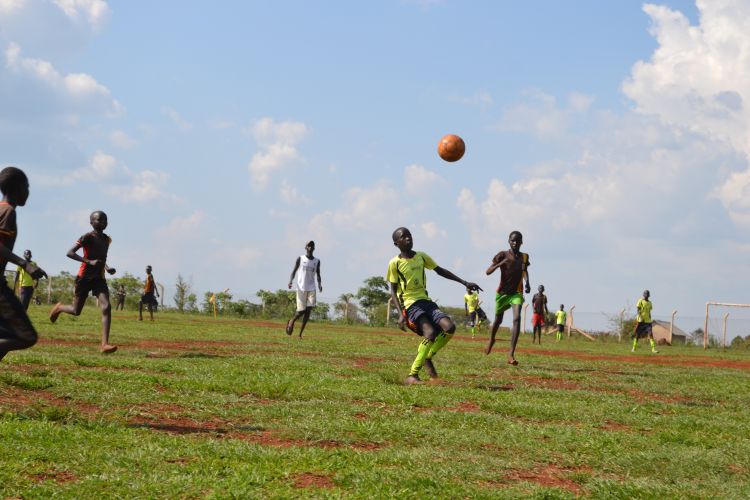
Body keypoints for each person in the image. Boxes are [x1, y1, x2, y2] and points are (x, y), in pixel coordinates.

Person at [387, 227, 481, 385]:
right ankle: (412, 375)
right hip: (410, 304)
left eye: (409, 235)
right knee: (429, 333)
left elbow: (440, 270)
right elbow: (393, 290)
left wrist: (464, 282)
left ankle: (428, 355)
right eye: (403, 237)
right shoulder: (394, 263)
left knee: (449, 327)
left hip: (426, 301)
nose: (408, 238)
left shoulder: (421, 256)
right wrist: (401, 313)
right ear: (396, 243)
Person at [49, 211, 117, 354]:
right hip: (84, 277)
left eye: (105, 220)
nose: (102, 222)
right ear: (91, 222)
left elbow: (101, 258)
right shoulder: (87, 237)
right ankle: (59, 308)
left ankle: (105, 344)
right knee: (76, 311)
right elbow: (70, 253)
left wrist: (107, 267)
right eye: (99, 220)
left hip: (99, 278)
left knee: (106, 306)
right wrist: (89, 262)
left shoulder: (107, 239)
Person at [0, 167, 47, 362]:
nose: (28, 191)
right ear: (18, 188)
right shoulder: (8, 211)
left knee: (7, 332)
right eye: (27, 186)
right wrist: (24, 264)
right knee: (25, 336)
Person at [485, 230, 531, 365]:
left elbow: (525, 270)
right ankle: (492, 339)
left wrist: (527, 282)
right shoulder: (502, 255)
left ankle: (511, 354)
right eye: (513, 240)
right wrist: (500, 264)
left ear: (522, 242)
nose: (515, 243)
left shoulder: (525, 257)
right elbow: (488, 271)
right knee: (498, 320)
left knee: (517, 319)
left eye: (518, 240)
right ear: (509, 241)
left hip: (516, 293)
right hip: (502, 294)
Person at [286, 241, 322, 338]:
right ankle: (292, 321)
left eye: (312, 245)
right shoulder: (300, 259)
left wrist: (319, 284)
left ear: (314, 248)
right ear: (305, 247)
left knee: (308, 310)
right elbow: (293, 271)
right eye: (309, 245)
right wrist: (290, 281)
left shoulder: (317, 261)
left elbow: (318, 274)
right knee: (301, 311)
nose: (311, 247)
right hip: (301, 288)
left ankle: (300, 334)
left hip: (311, 288)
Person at [632, 289, 658, 353]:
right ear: (643, 295)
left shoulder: (650, 303)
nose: (646, 296)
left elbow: (649, 312)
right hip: (641, 321)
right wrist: (640, 317)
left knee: (651, 334)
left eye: (647, 294)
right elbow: (638, 310)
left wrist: (650, 318)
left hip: (648, 322)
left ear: (649, 295)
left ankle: (653, 349)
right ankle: (633, 348)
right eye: (645, 294)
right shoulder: (640, 301)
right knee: (637, 335)